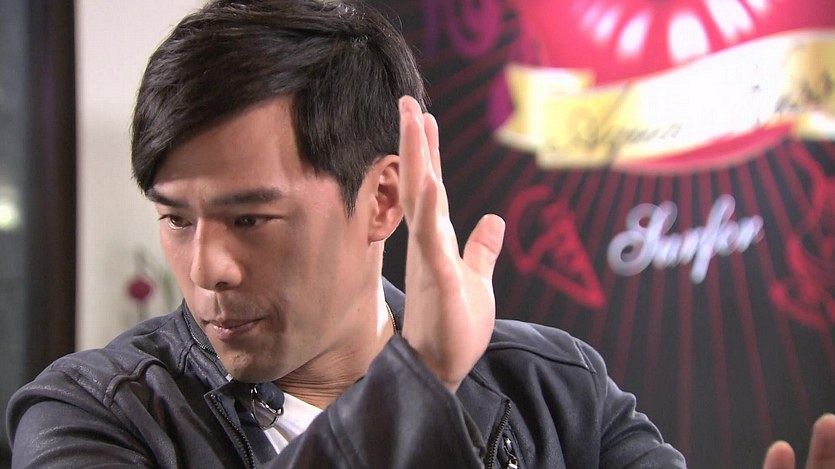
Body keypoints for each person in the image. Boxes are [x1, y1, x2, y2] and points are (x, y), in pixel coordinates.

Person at [4, 0, 832, 467]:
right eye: (176, 217)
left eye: (250, 218)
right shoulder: (92, 414)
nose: (207, 266)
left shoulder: (555, 392)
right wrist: (416, 378)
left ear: (382, 197)